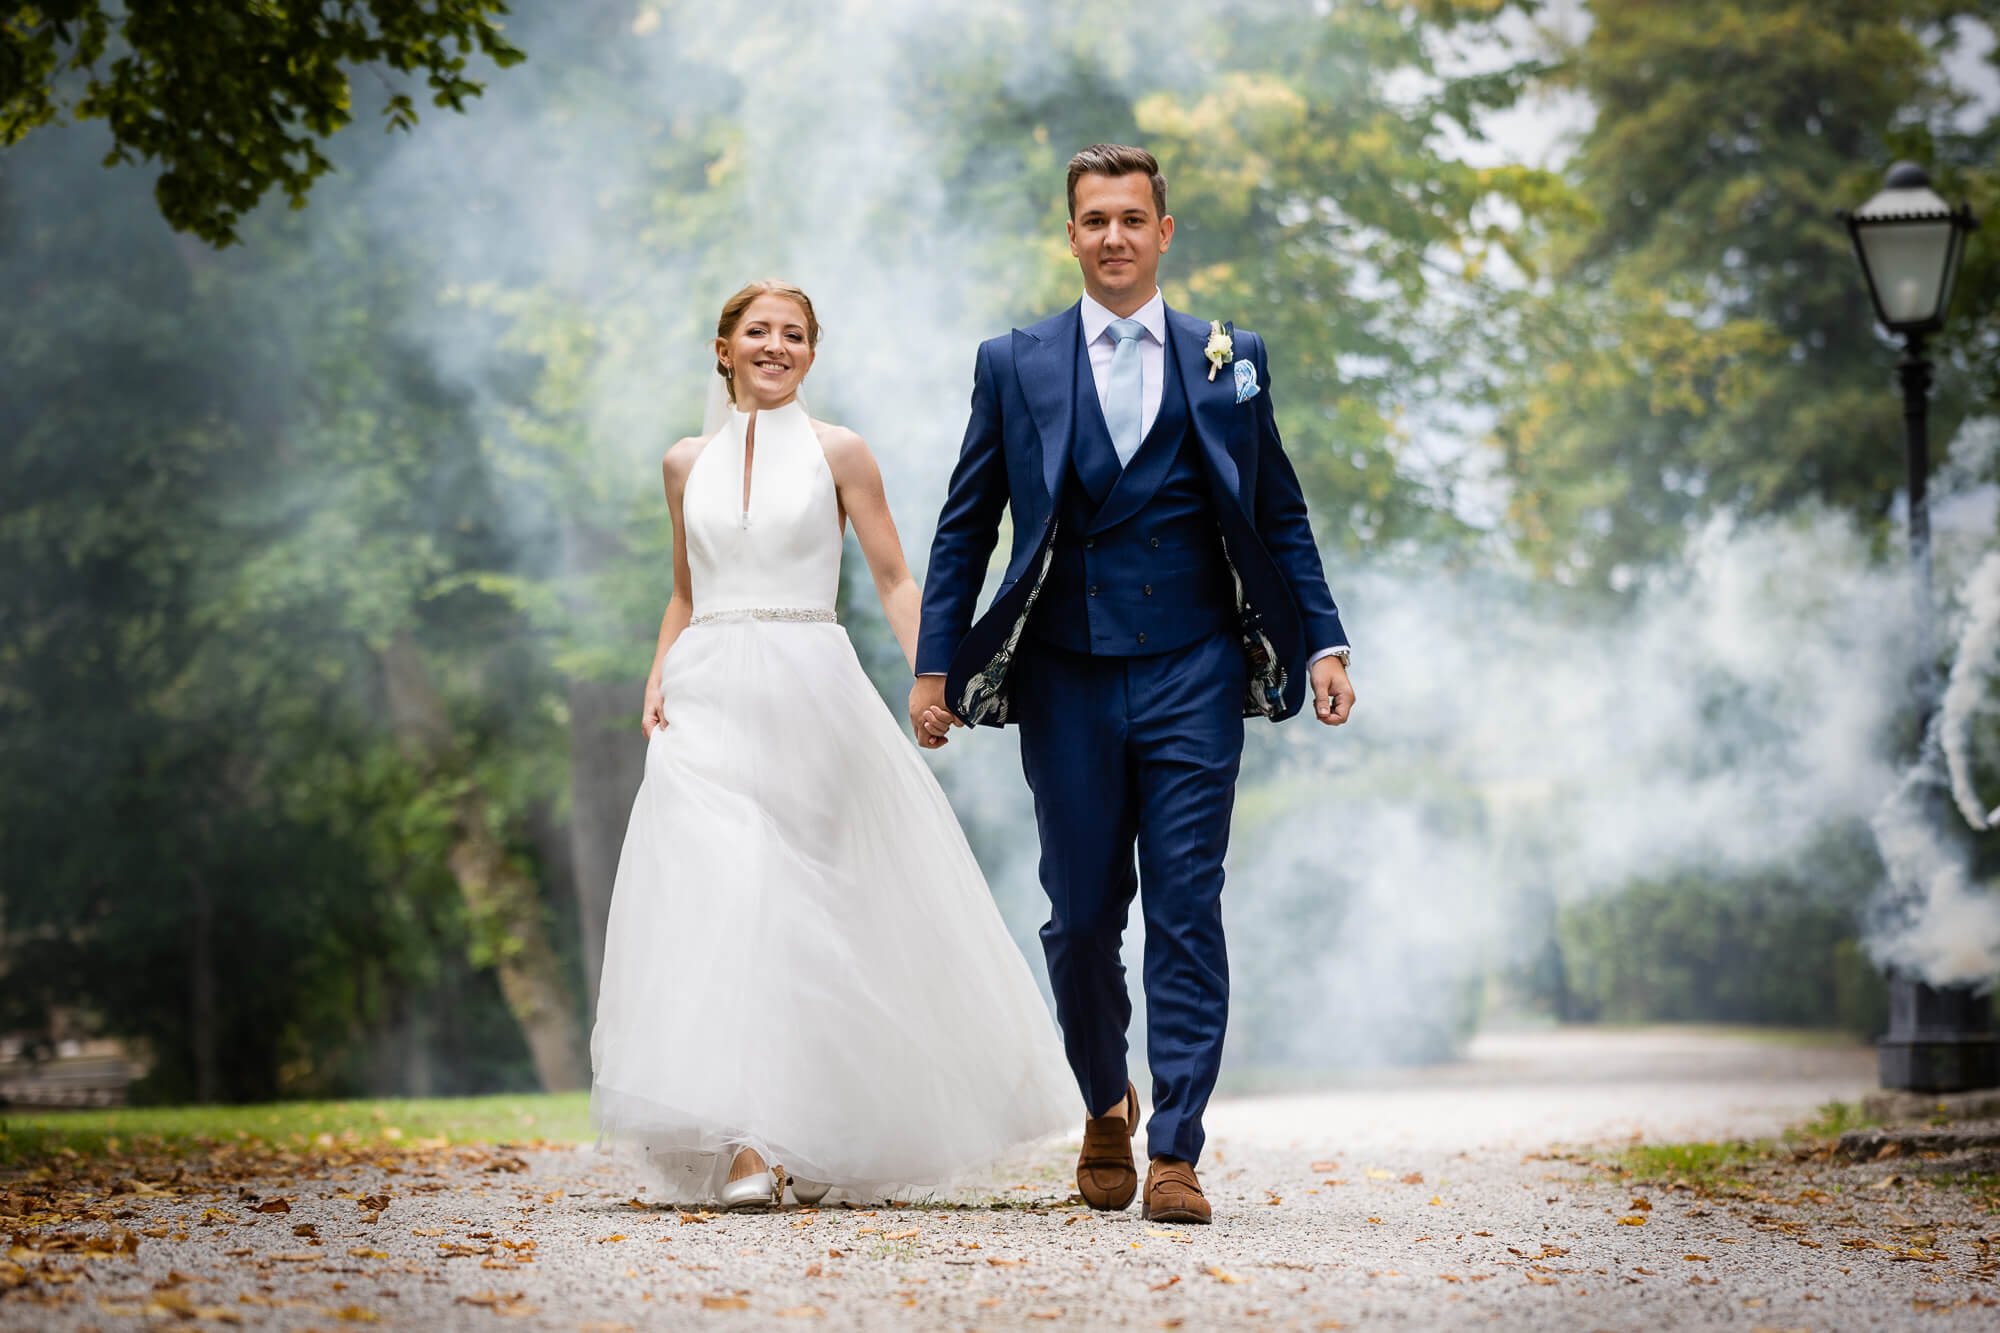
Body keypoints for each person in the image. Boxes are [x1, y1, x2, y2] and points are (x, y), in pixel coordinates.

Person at [908, 146, 1357, 1225]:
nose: (1112, 235)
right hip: (1062, 675)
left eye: (1130, 218)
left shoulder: (1227, 356)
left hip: (1195, 669)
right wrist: (934, 664)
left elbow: (1278, 510)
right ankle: (1104, 1101)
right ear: (1070, 235)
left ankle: (1175, 1150)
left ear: (1163, 231)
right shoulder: (1012, 362)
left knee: (1187, 906)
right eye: (1092, 219)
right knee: (1076, 920)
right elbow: (966, 522)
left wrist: (1324, 641)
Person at [590, 280, 1076, 1210]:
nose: (777, 346)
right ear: (722, 347)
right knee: (717, 899)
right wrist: (658, 671)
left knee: (794, 905)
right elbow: (686, 589)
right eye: (759, 332)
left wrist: (932, 677)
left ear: (812, 353)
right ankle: (744, 1141)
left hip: (809, 686)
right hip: (703, 695)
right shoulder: (683, 462)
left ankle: (796, 1125)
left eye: (796, 335)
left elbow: (897, 576)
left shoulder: (838, 451)